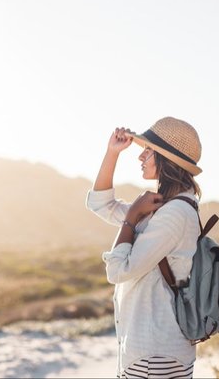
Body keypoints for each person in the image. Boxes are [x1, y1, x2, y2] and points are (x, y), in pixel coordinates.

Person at [86, 117, 203, 379]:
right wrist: (112, 153)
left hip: (155, 353)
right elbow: (101, 204)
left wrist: (132, 217)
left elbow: (118, 270)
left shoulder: (174, 214)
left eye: (148, 151)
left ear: (166, 159)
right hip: (150, 351)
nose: (141, 157)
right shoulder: (163, 207)